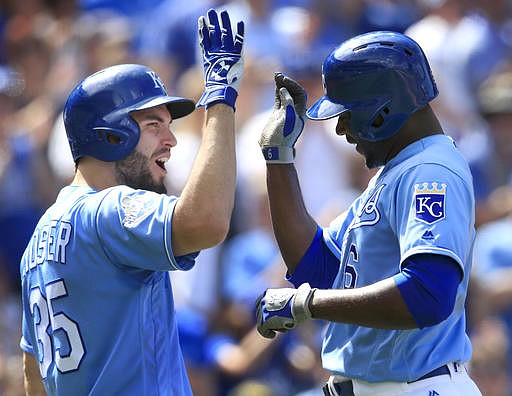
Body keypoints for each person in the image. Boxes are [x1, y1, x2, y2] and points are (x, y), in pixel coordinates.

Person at [19, 8, 244, 396]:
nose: (170, 140)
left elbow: (33, 372)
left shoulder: (38, 240)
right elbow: (206, 221)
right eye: (153, 125)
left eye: (169, 126)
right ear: (110, 136)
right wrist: (221, 101)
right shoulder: (108, 209)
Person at [255, 31, 482, 395]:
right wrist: (279, 159)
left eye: (347, 114)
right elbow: (318, 269)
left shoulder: (430, 172)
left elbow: (427, 294)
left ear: (383, 111)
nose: (341, 128)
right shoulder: (398, 172)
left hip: (414, 387)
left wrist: (309, 305)